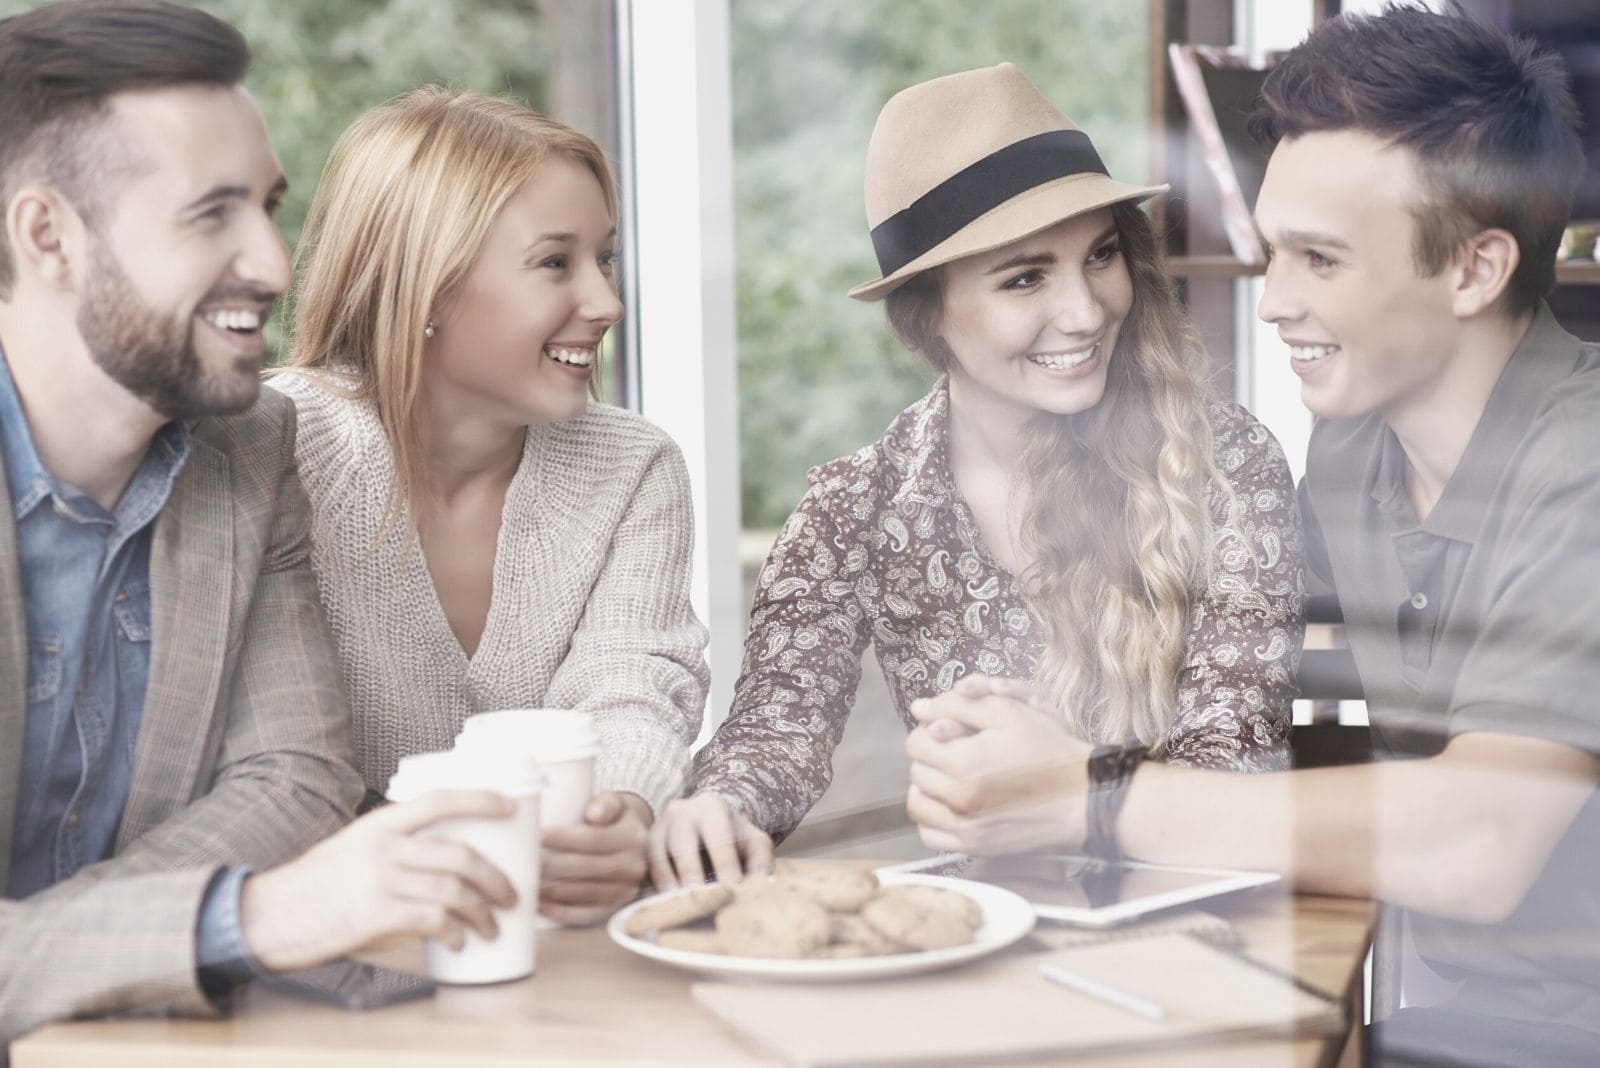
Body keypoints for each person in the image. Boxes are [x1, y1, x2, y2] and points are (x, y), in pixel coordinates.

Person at [913, 7, 1600, 1065]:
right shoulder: (1351, 451)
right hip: (1464, 1028)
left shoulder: (1586, 463)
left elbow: (1480, 841)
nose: (1274, 302)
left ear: (1474, 269)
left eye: (1319, 260)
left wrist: (1082, 795)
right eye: (1271, 252)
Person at [0, 0, 530, 1043]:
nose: (277, 266)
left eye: (270, 207)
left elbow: (296, 777)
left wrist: (62, 948)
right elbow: (275, 879)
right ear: (46, 234)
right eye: (212, 214)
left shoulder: (247, 449)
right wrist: (242, 915)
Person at [650, 62, 1304, 886]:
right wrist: (722, 808)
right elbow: (775, 735)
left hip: (1195, 926)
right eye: (1026, 276)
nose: (1087, 309)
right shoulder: (854, 507)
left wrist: (1066, 776)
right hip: (973, 941)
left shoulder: (1223, 460)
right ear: (927, 315)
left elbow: (1234, 762)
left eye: (1101, 256)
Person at [269, 87, 709, 925]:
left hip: (554, 937)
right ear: (427, 284)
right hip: (332, 936)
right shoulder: (280, 453)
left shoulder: (633, 466)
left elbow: (632, 685)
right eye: (556, 263)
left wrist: (621, 811)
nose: (607, 303)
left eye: (604, 259)